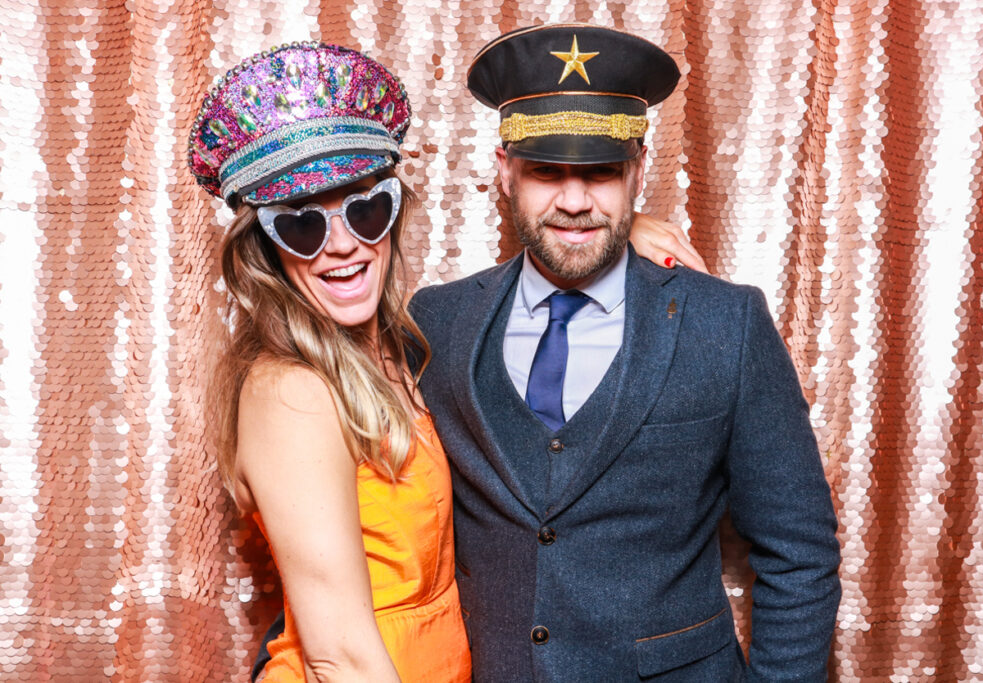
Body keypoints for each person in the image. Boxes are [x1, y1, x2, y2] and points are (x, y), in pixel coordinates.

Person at [187, 42, 702, 682]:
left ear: (393, 213)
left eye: (364, 209)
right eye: (301, 226)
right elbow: (337, 654)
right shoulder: (291, 390)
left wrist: (618, 230)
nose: (342, 245)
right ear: (265, 246)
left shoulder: (412, 341)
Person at [407, 24, 842, 681]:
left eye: (601, 172)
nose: (575, 201)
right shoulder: (435, 322)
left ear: (638, 169)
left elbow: (800, 550)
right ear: (504, 171)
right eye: (547, 170)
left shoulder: (726, 324)